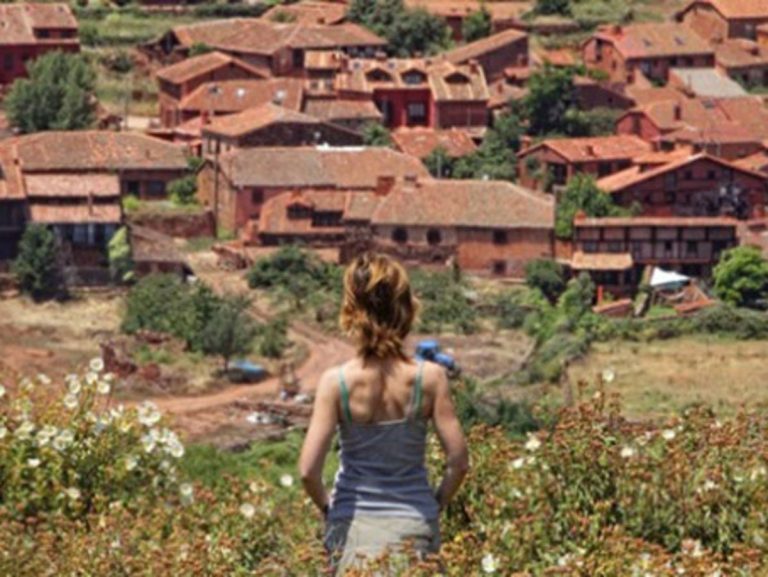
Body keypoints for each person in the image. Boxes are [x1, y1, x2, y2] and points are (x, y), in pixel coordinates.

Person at [298, 253, 469, 574]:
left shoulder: (335, 383)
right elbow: (459, 462)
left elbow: (308, 471)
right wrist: (435, 503)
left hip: (352, 534)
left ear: (351, 311)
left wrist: (329, 508)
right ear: (405, 308)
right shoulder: (429, 378)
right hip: (415, 530)